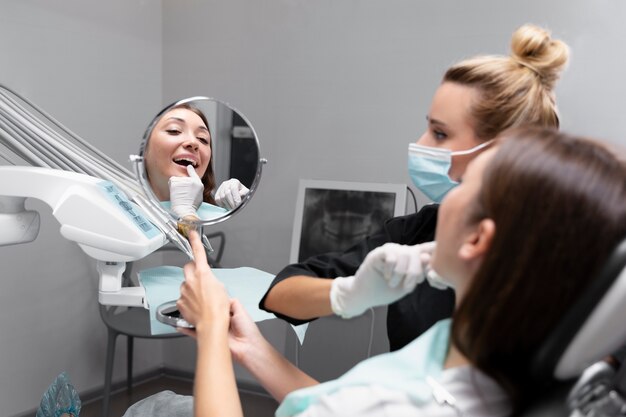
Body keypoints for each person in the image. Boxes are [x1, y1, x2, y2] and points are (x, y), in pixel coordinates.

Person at [123, 127, 626, 416]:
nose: (445, 179)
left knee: (151, 407)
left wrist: (211, 336)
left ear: (477, 240)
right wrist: (249, 347)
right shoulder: (488, 361)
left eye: (466, 183)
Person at [260, 23, 570, 351]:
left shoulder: (566, 255)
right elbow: (282, 293)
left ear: (502, 153)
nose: (420, 144)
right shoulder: (419, 233)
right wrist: (350, 292)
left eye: (439, 133)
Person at [144, 103, 250, 220]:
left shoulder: (217, 217)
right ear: (144, 149)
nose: (193, 142)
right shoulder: (126, 213)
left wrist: (243, 209)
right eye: (174, 130)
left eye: (202, 139)